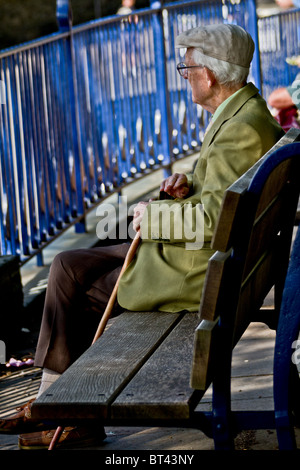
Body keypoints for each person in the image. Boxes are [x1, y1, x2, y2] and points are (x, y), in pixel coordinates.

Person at [0, 23, 284, 449]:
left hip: (197, 278)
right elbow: (220, 201)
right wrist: (188, 187)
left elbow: (210, 224)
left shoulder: (240, 129)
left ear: (207, 75)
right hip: (214, 267)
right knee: (68, 264)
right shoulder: (247, 115)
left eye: (186, 68)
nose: (184, 76)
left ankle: (61, 412)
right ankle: (54, 406)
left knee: (69, 281)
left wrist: (152, 217)